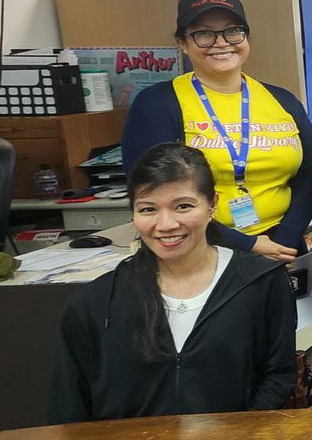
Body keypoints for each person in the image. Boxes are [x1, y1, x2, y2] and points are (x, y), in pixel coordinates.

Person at [47, 143, 295, 422]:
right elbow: (69, 405)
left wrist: (237, 438)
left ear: (212, 204)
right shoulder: (96, 303)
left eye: (183, 206)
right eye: (148, 209)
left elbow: (278, 376)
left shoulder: (260, 282)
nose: (166, 224)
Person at [122, 0, 312, 263]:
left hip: (282, 248)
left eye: (232, 31)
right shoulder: (157, 103)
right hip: (197, 249)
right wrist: (247, 244)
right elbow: (149, 192)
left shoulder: (281, 99)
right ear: (182, 42)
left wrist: (284, 238)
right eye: (204, 34)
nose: (221, 43)